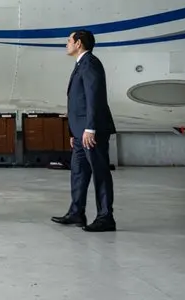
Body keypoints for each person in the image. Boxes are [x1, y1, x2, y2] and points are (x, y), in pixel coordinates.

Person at [52, 30, 117, 232]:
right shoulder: (81, 64)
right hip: (81, 133)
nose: (66, 44)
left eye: (69, 41)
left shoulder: (90, 63)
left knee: (100, 172)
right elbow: (77, 102)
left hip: (91, 132)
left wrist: (90, 128)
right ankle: (76, 213)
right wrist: (74, 133)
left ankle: (106, 217)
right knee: (78, 172)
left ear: (78, 43)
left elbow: (94, 97)